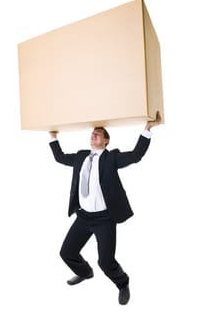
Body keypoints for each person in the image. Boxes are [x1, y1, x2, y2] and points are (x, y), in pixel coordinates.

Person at [49, 112, 161, 305]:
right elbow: (59, 158)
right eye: (92, 133)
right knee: (66, 252)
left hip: (105, 219)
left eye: (99, 134)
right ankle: (85, 272)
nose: (94, 135)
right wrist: (52, 136)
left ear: (106, 141)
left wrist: (148, 128)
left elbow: (136, 155)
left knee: (106, 262)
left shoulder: (112, 159)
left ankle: (123, 283)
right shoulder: (81, 156)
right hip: (83, 217)